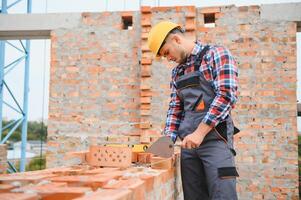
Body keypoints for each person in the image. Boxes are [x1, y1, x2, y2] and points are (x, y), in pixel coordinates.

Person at [147, 21, 240, 200]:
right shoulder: (177, 73)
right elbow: (175, 109)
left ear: (176, 39)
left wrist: (199, 133)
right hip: (188, 148)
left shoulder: (216, 55)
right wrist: (166, 142)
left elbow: (226, 96)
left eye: (167, 53)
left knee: (223, 195)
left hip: (215, 143)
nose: (168, 59)